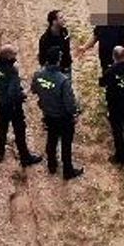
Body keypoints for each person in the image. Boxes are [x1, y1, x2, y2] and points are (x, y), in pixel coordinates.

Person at [0, 45, 42, 167]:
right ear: (7, 57)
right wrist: (23, 95)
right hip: (12, 107)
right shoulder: (12, 71)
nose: (16, 58)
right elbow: (13, 94)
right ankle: (25, 157)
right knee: (19, 131)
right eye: (13, 55)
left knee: (2, 127)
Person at [33, 47, 83, 180]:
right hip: (63, 117)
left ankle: (52, 165)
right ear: (58, 60)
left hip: (48, 114)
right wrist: (75, 113)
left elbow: (34, 90)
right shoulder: (63, 80)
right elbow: (69, 104)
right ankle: (68, 171)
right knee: (66, 144)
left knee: (51, 138)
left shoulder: (38, 75)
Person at [100, 46, 124, 165]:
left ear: (114, 57)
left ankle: (120, 156)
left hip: (116, 105)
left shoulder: (111, 71)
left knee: (117, 130)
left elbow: (102, 83)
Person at [76, 0, 124, 73]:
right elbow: (95, 36)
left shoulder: (123, 22)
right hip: (106, 59)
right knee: (109, 80)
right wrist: (84, 47)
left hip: (122, 61)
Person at [38, 9, 72, 76]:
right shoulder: (45, 39)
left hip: (66, 69)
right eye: (61, 18)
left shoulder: (65, 32)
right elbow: (42, 59)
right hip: (52, 72)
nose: (64, 19)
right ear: (54, 21)